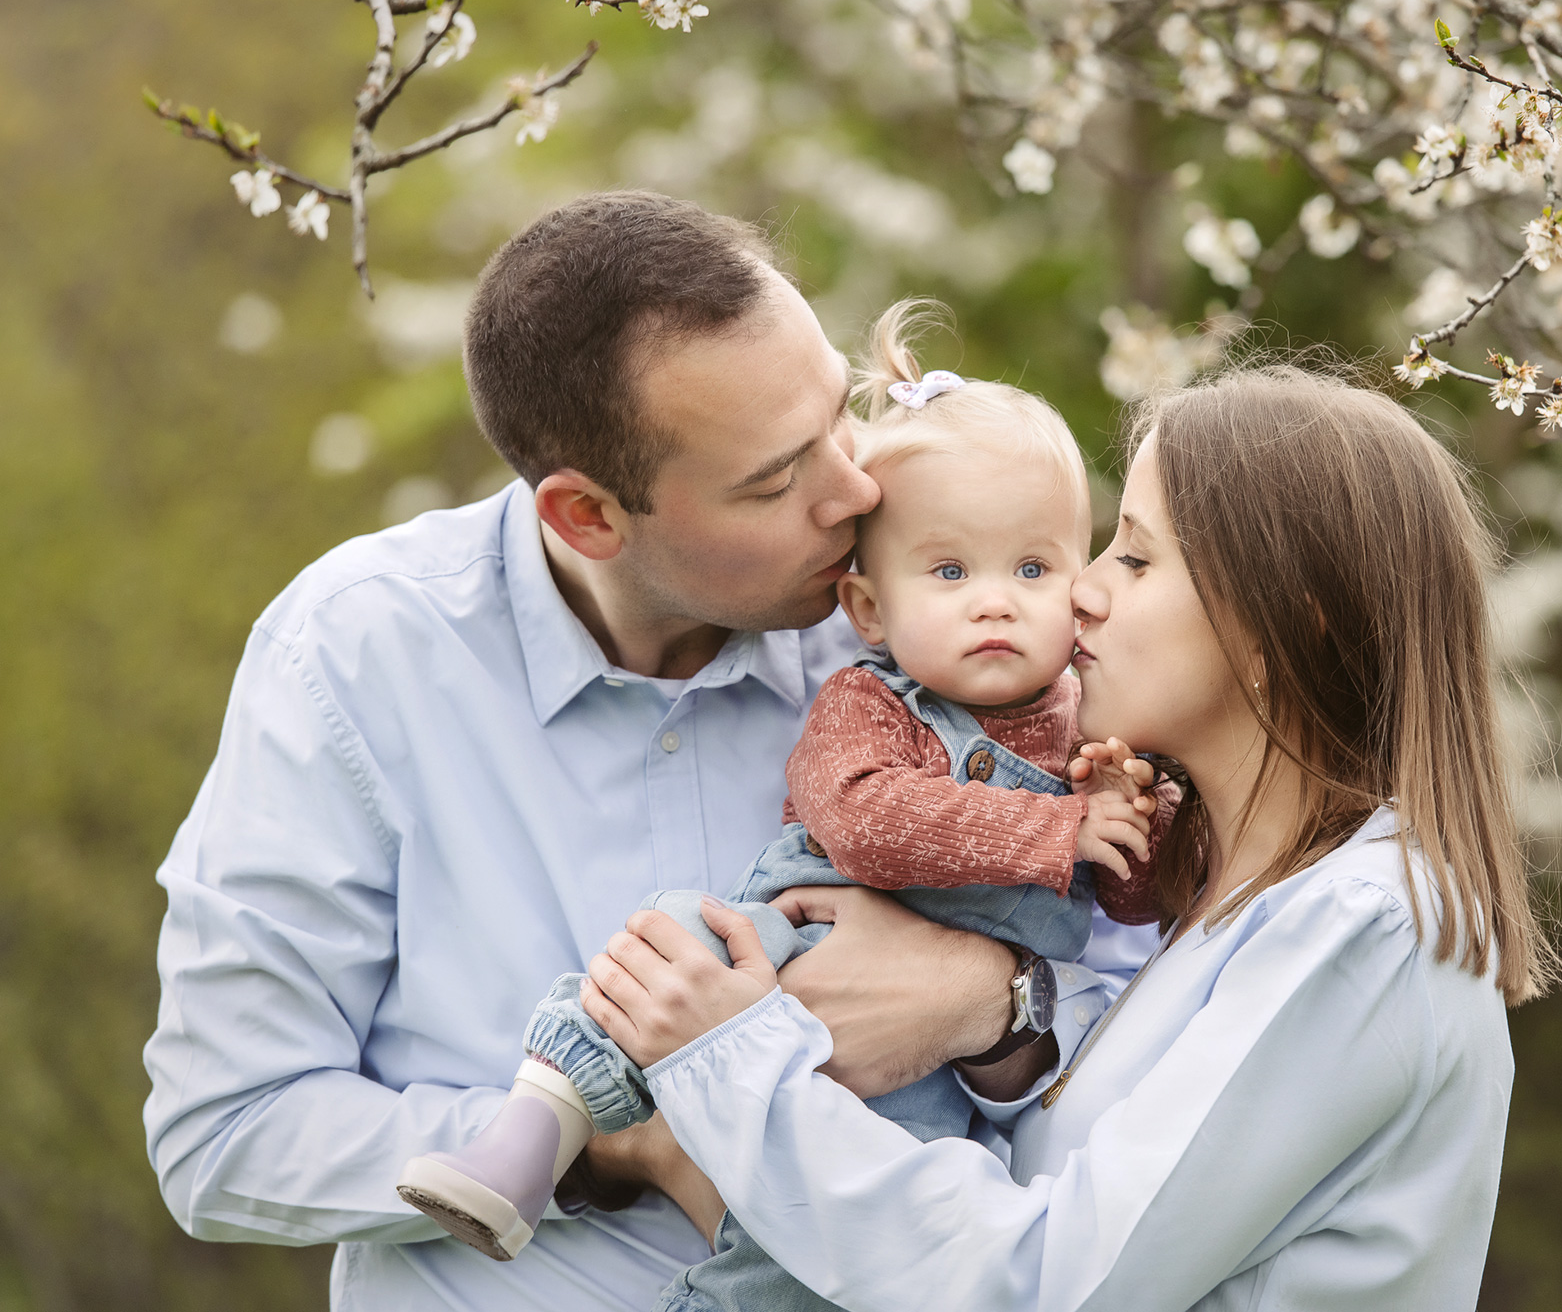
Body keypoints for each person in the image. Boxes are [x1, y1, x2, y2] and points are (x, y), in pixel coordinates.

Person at [140, 194, 1156, 1312]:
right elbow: (226, 1131)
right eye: (776, 480)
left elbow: (1144, 1001)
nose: (856, 489)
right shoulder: (354, 652)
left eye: (838, 417)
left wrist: (995, 1000)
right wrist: (618, 1143)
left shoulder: (932, 618)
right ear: (588, 518)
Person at [574, 364, 1562, 1310]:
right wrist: (997, 1018)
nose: (1080, 592)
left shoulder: (1364, 928)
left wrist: (732, 1056)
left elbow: (1048, 1278)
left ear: (1276, 630)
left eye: (1134, 555)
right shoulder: (1224, 903)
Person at [393, 301, 1166, 1312]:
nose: (995, 601)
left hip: (921, 1092)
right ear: (870, 613)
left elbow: (1136, 912)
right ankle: (527, 1136)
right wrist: (1061, 828)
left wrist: (1126, 814)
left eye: (1033, 568)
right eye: (949, 571)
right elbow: (867, 822)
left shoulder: (1096, 716)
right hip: (785, 943)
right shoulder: (863, 692)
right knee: (671, 936)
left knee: (855, 1239)